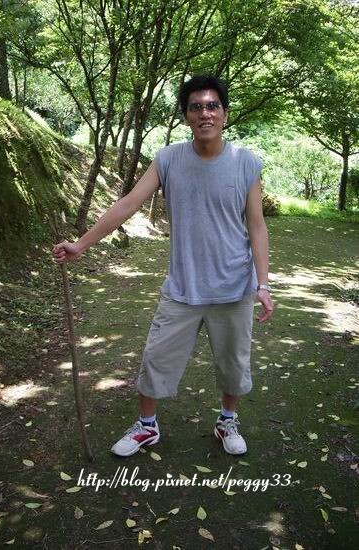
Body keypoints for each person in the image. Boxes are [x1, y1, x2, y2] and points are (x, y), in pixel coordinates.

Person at [53, 74, 274, 458]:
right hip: (182, 288)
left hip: (233, 287)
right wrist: (82, 244)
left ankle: (227, 421)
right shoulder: (169, 159)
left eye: (212, 106)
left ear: (224, 113)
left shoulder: (246, 163)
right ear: (186, 116)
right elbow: (128, 203)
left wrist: (264, 284)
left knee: (234, 365)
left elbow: (257, 226)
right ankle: (146, 426)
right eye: (195, 107)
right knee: (156, 359)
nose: (205, 113)